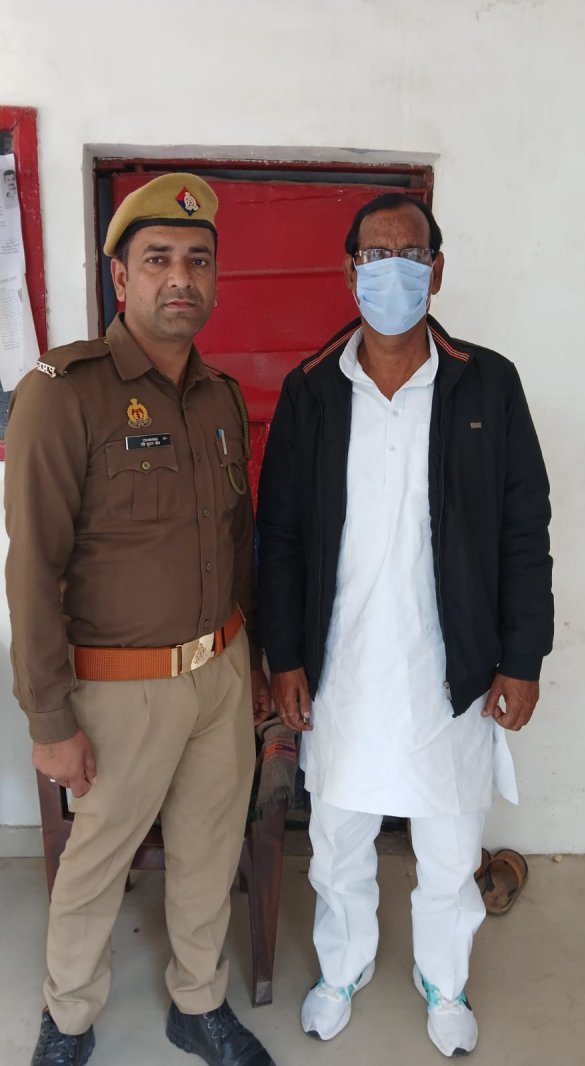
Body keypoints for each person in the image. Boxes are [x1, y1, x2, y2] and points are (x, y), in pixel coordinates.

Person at [257, 192, 553, 1058]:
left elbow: (523, 528)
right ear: (350, 272)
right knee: (337, 842)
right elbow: (280, 535)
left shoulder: (486, 383)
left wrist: (523, 657)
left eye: (412, 255)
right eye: (376, 255)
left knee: (450, 846)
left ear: (437, 270)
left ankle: (444, 980)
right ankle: (342, 967)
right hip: (343, 667)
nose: (394, 270)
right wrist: (284, 655)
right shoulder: (313, 390)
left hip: (450, 668)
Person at [5, 173, 276, 1066]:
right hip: (120, 692)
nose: (180, 279)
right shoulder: (63, 391)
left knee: (208, 850)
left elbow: (236, 541)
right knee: (94, 865)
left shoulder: (221, 398)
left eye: (198, 261)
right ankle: (69, 1018)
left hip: (219, 675)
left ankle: (198, 1003)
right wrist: (50, 721)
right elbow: (32, 567)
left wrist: (253, 663)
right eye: (158, 259)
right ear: (121, 277)